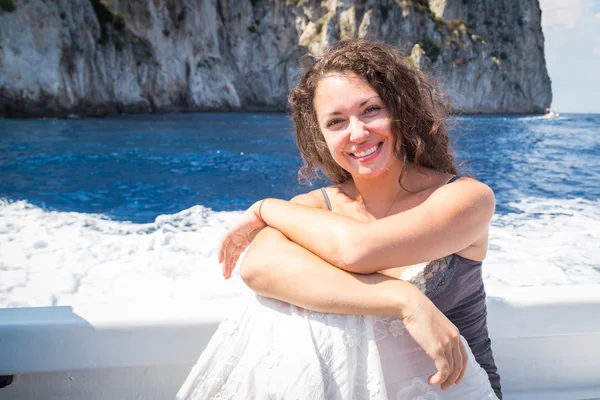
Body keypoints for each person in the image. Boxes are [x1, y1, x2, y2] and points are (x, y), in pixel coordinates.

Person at [176, 39, 501, 400]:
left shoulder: (465, 198)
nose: (358, 133)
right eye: (336, 121)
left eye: (371, 110)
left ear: (400, 110)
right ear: (321, 136)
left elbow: (357, 250)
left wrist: (265, 207)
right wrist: (404, 300)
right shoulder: (313, 208)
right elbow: (257, 269)